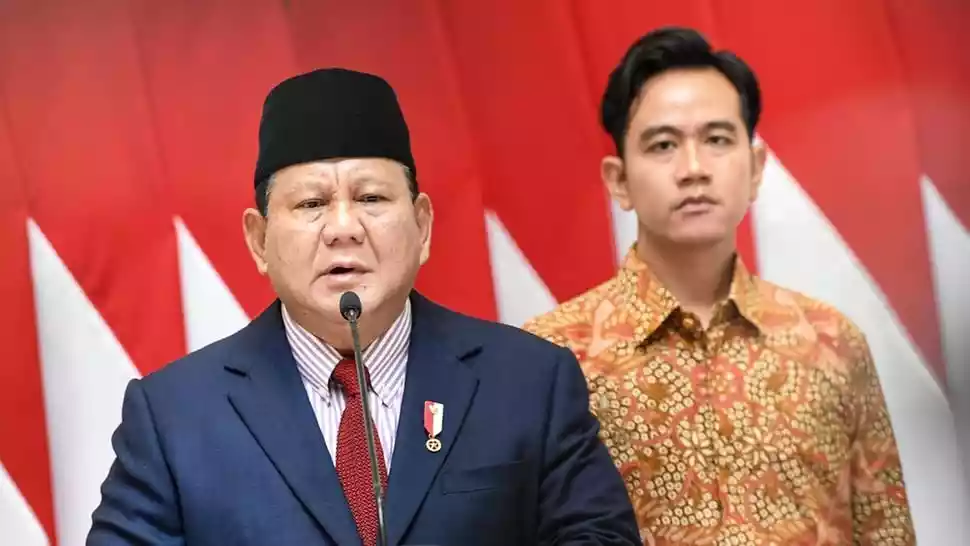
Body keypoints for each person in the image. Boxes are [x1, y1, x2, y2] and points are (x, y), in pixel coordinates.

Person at [86, 68, 640, 546]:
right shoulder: (175, 416)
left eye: (371, 198)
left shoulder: (528, 382)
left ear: (422, 226)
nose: (344, 228)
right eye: (311, 203)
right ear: (259, 241)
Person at [523, 27, 915, 545]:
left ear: (755, 168)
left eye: (717, 140)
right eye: (663, 145)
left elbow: (886, 531)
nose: (693, 169)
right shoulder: (550, 357)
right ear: (619, 180)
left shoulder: (831, 342)